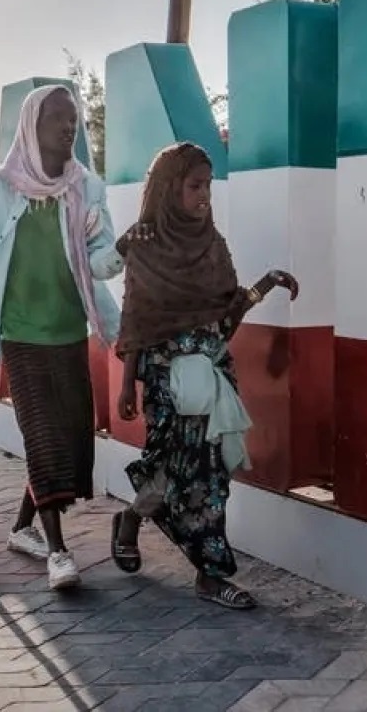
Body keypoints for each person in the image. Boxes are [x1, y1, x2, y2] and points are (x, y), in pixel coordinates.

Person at [111, 142, 299, 610]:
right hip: (165, 381)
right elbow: (135, 317)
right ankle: (131, 519)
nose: (204, 196)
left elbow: (224, 320)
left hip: (212, 378)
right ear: (169, 188)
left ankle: (210, 575)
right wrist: (126, 384)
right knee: (168, 472)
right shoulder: (145, 244)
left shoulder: (213, 244)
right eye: (196, 186)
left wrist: (266, 284)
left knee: (211, 476)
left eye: (208, 186)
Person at [0, 85, 124, 590]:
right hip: (19, 335)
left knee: (69, 440)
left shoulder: (86, 187)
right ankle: (58, 552)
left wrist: (124, 251)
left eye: (73, 119)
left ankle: (21, 528)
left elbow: (98, 260)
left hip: (69, 331)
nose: (69, 127)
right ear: (32, 124)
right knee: (43, 438)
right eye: (57, 118)